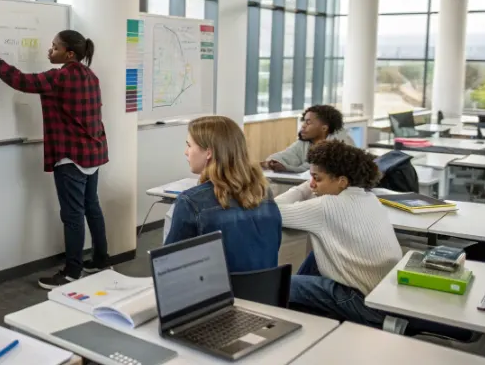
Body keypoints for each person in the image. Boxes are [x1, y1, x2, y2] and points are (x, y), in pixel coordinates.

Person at [0, 30, 109, 289]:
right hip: (93, 153)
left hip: (71, 157)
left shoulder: (59, 77)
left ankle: (72, 272)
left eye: (55, 47)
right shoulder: (91, 76)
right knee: (92, 207)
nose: (49, 51)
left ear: (69, 54)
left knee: (72, 215)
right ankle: (101, 260)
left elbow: (19, 80)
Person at [275, 141, 402, 327]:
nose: (312, 184)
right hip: (384, 300)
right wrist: (316, 182)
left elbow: (272, 210)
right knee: (318, 254)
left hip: (363, 304)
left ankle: (288, 314)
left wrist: (303, 188)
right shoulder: (369, 198)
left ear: (342, 181)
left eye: (317, 179)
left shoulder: (326, 206)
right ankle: (296, 308)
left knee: (280, 285)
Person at [164, 116, 282, 273]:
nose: (186, 152)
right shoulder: (264, 192)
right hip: (266, 288)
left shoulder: (190, 202)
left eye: (189, 145)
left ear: (208, 152)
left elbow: (169, 266)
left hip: (216, 288)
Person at [262, 105, 355, 173]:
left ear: (324, 128)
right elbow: (287, 155)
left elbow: (314, 169)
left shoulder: (341, 145)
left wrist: (287, 168)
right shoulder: (304, 143)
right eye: (304, 122)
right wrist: (272, 162)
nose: (303, 126)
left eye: (308, 123)